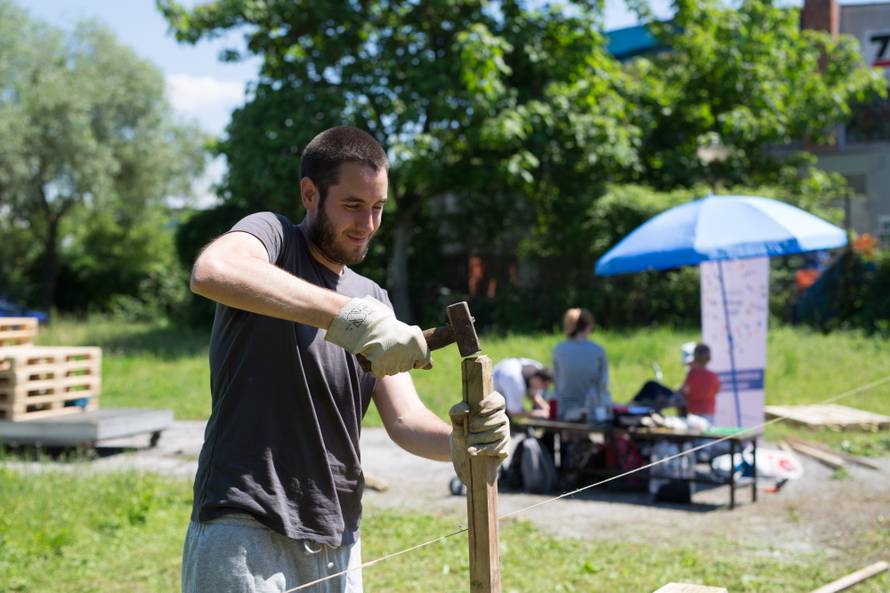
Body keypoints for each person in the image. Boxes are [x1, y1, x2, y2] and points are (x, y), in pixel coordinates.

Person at [182, 126, 510, 593]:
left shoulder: (373, 297)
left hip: (338, 536)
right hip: (245, 528)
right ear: (310, 193)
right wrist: (349, 319)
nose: (368, 224)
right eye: (353, 206)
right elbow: (214, 271)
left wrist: (461, 442)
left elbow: (406, 419)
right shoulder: (273, 239)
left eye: (378, 208)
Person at [551, 308, 610, 424]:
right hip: (591, 412)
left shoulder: (558, 349)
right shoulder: (598, 351)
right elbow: (602, 384)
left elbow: (556, 382)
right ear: (588, 326)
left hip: (564, 411)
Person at [677, 342, 721, 423]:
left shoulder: (691, 374)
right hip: (708, 412)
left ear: (694, 357)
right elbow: (717, 390)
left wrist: (678, 389)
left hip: (693, 412)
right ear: (709, 358)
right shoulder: (713, 376)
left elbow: (685, 390)